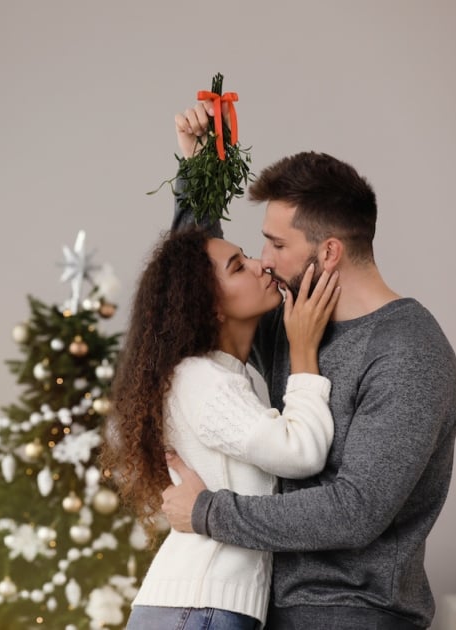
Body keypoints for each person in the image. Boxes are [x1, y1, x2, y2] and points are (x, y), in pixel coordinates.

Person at [161, 101, 456, 629]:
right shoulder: (287, 323)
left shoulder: (409, 350)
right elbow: (204, 286)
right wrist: (199, 174)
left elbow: (355, 510)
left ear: (327, 253)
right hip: (266, 609)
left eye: (277, 244)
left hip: (352, 615)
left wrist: (209, 512)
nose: (264, 259)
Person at [100, 225, 341, 630]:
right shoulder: (203, 380)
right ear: (209, 305)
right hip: (200, 608)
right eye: (237, 267)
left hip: (199, 607)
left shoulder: (221, 377)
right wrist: (303, 353)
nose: (261, 265)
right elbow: (302, 452)